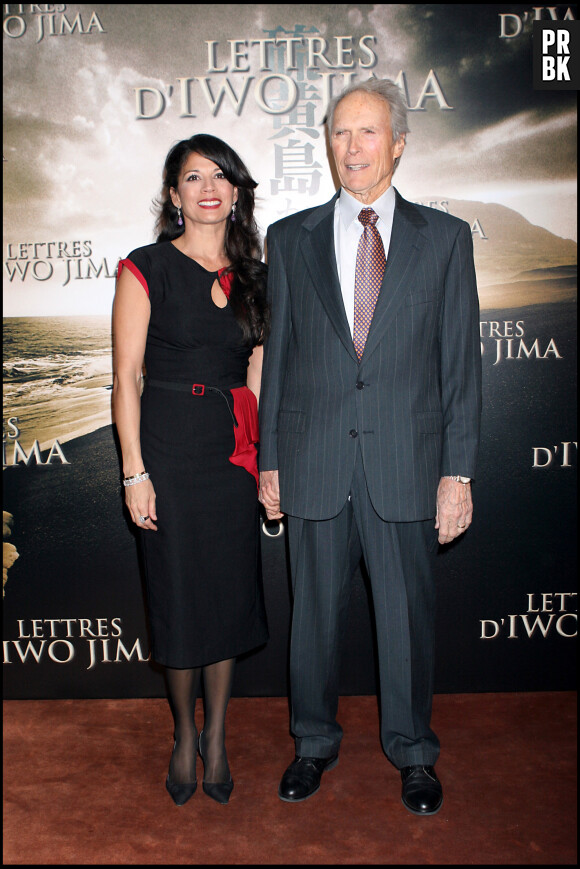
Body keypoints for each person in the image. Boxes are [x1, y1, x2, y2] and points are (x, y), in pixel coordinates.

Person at [259, 79, 481, 815]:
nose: (350, 147)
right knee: (312, 621)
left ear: (399, 142)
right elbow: (280, 356)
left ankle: (414, 752)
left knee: (407, 621)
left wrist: (458, 471)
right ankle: (312, 743)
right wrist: (269, 460)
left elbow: (459, 364)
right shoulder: (288, 238)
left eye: (366, 132)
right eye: (338, 132)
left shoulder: (443, 240)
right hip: (315, 459)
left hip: (407, 467)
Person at [112, 134, 269, 807]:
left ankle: (220, 735)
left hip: (230, 454)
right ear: (174, 195)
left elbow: (259, 372)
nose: (209, 187)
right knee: (178, 597)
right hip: (168, 449)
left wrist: (264, 463)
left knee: (229, 595)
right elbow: (123, 378)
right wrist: (133, 471)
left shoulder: (258, 275)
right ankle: (183, 734)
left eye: (221, 176)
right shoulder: (145, 266)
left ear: (236, 192)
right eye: (193, 176)